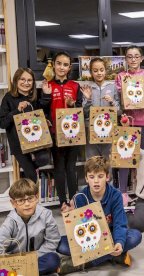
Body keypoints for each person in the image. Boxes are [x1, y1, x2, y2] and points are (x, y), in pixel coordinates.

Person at [59, 156, 142, 272]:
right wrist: (70, 216)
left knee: (135, 236)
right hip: (90, 239)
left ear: (107, 177)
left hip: (110, 236)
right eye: (92, 177)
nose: (96, 181)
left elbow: (120, 223)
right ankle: (115, 256)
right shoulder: (80, 197)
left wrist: (119, 243)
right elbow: (78, 230)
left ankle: (85, 263)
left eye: (100, 176)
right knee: (60, 244)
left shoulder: (115, 195)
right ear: (86, 179)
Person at [115, 46, 144, 204]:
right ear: (126, 59)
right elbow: (120, 95)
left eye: (136, 56)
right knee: (125, 157)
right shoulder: (121, 76)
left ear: (141, 58)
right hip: (128, 121)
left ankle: (142, 189)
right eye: (130, 57)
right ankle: (123, 193)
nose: (133, 59)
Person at [41, 51, 83, 206]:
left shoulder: (75, 86)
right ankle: (63, 203)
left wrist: (73, 105)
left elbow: (79, 108)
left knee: (71, 168)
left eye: (65, 64)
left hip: (72, 134)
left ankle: (73, 200)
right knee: (59, 168)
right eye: (59, 63)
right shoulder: (47, 85)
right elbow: (42, 110)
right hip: (54, 134)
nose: (62, 67)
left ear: (69, 67)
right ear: (54, 65)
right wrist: (46, 96)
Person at [0, 178, 61, 275]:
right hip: (16, 262)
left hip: (38, 257)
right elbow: (1, 245)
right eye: (21, 200)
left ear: (36, 197)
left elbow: (52, 241)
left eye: (30, 198)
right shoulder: (10, 222)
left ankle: (24, 273)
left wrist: (33, 257)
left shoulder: (46, 215)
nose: (27, 204)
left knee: (53, 260)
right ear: (13, 203)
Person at [0, 68, 51, 183]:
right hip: (18, 144)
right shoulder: (8, 98)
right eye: (22, 79)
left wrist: (45, 121)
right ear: (16, 80)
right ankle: (31, 195)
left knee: (44, 159)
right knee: (31, 176)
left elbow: (41, 112)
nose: (26, 83)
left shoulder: (35, 96)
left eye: (29, 80)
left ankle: (32, 170)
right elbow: (2, 123)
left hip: (36, 140)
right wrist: (17, 110)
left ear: (33, 82)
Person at [81, 57, 120, 160]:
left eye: (101, 70)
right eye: (95, 70)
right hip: (91, 131)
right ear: (91, 72)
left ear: (105, 71)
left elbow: (119, 110)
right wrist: (88, 99)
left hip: (109, 130)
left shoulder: (112, 87)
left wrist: (112, 101)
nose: (99, 73)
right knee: (92, 161)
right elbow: (84, 113)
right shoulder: (87, 88)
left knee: (108, 161)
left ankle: (109, 177)